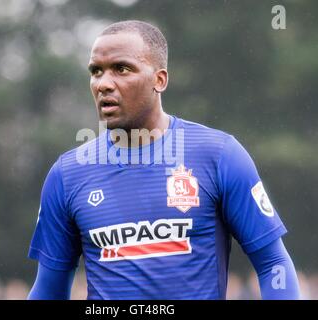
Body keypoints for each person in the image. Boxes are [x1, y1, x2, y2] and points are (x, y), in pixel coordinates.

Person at [27, 20, 300, 300]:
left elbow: (272, 264)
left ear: (159, 80)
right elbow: (49, 289)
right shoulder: (68, 174)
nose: (104, 84)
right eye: (96, 72)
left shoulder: (218, 155)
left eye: (121, 69)